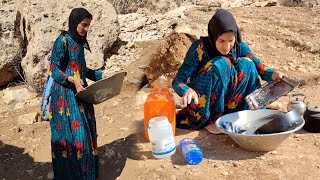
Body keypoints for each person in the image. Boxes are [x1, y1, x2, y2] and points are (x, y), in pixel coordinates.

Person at [172, 9, 286, 131]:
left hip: (228, 102)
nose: (226, 47)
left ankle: (250, 109)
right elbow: (178, 81)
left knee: (247, 63)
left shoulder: (239, 46)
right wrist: (187, 90)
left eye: (230, 41)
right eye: (221, 41)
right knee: (221, 63)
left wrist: (274, 74)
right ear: (214, 35)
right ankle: (213, 120)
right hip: (204, 103)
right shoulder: (199, 47)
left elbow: (259, 67)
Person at [47, 8, 107, 179]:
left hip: (81, 94)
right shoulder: (63, 41)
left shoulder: (80, 42)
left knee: (86, 137)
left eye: (89, 26)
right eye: (84, 25)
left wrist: (100, 75)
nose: (86, 29)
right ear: (75, 23)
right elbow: (53, 69)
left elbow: (81, 69)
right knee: (74, 138)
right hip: (65, 98)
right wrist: (72, 79)